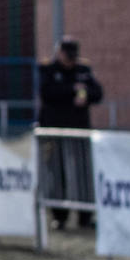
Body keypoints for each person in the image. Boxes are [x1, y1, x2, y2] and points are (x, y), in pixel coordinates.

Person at [39, 35, 104, 229]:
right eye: (67, 55)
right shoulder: (48, 69)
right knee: (57, 174)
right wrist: (72, 90)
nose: (71, 59)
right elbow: (47, 93)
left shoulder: (83, 70)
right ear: (59, 53)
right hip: (55, 130)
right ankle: (59, 217)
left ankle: (85, 217)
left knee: (83, 173)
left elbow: (98, 93)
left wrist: (85, 95)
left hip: (79, 130)